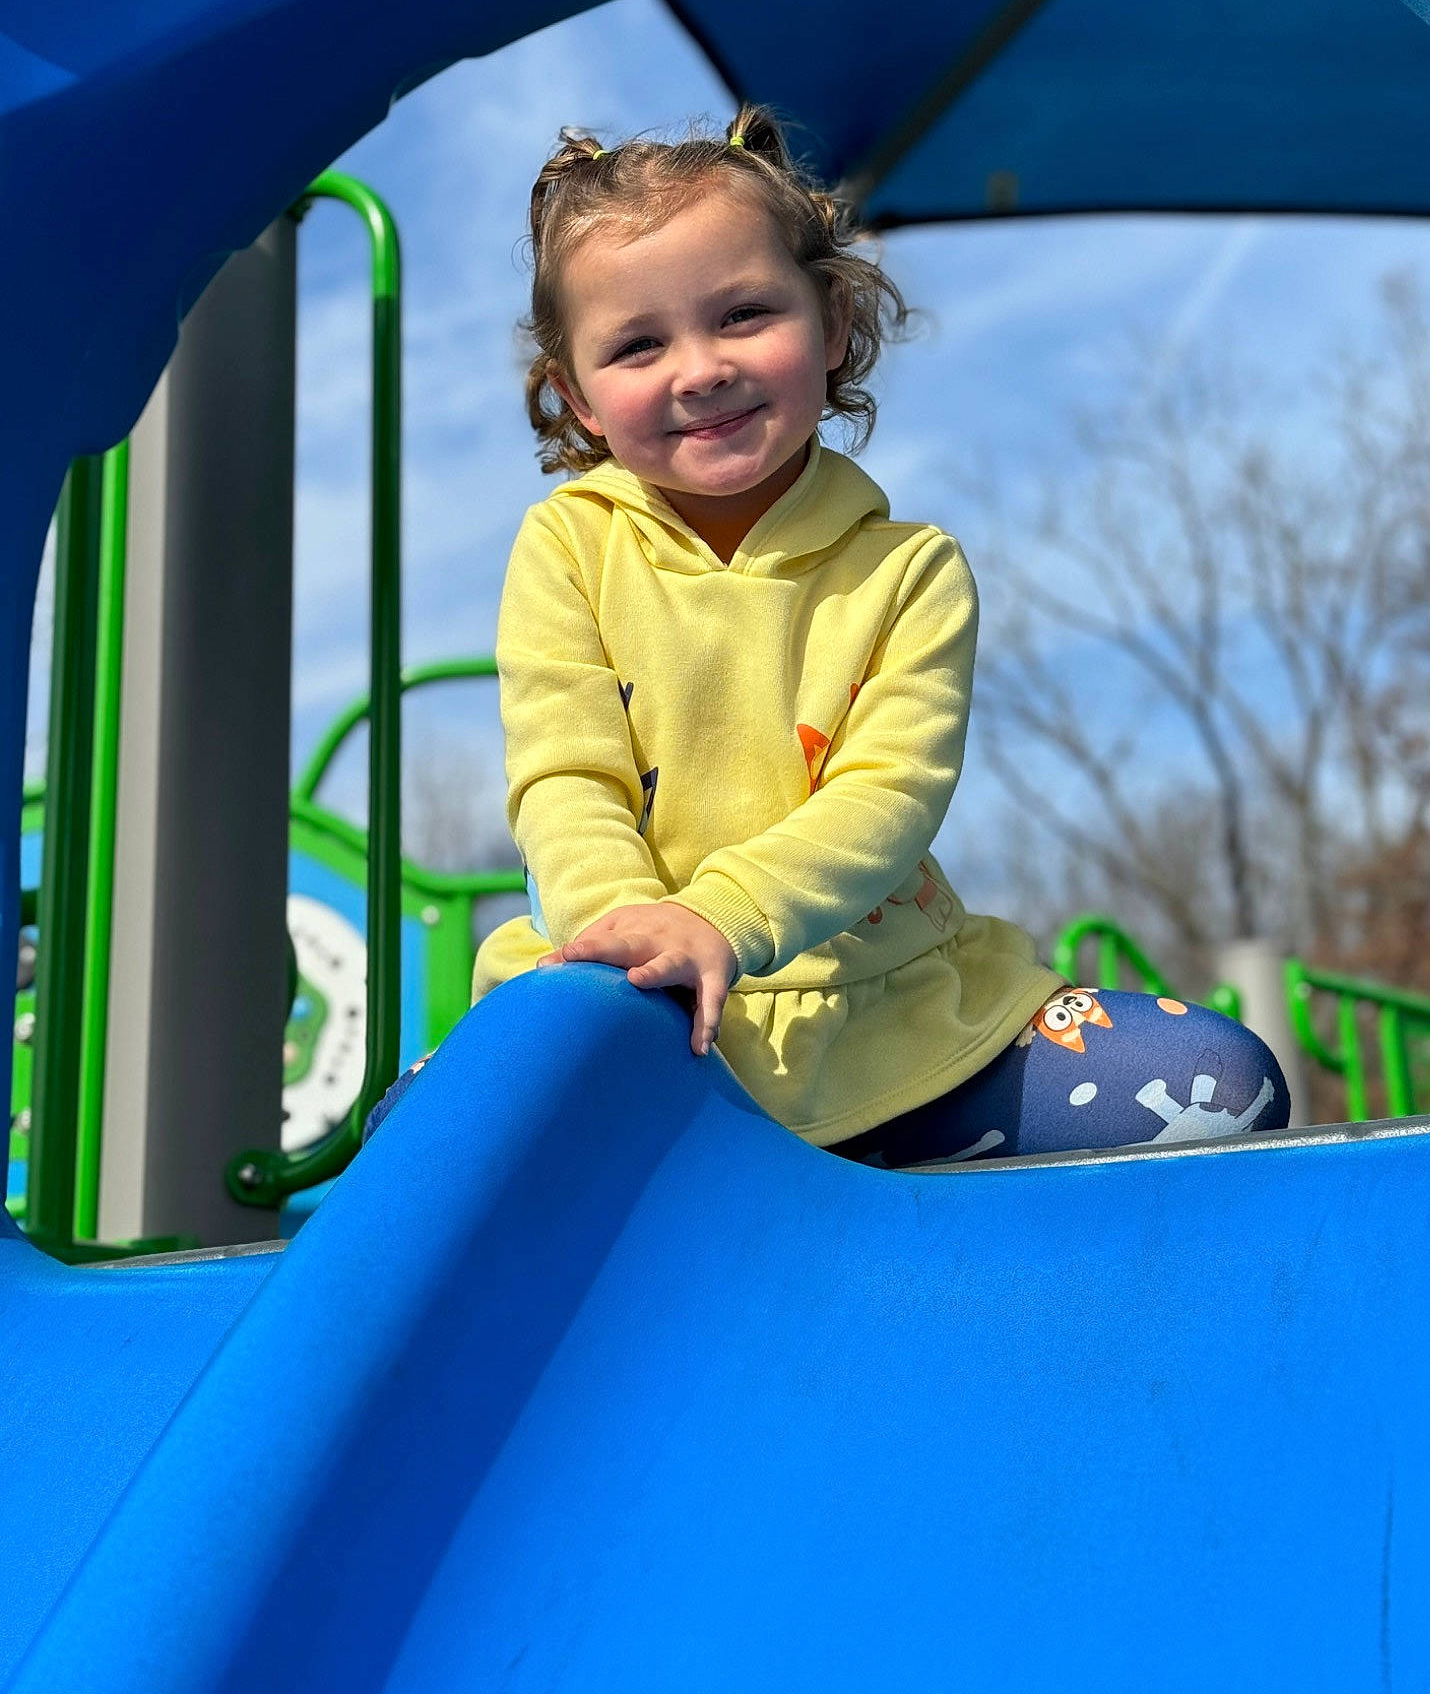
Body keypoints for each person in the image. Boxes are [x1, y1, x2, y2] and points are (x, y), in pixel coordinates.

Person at [367, 108, 1288, 1162]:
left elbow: (886, 795)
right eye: (638, 344)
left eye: (744, 313)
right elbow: (565, 776)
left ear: (834, 320)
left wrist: (720, 917)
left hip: (886, 1014)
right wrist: (631, 945)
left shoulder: (908, 570)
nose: (700, 368)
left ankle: (867, 1199)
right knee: (404, 1160)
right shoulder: (568, 546)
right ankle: (722, 1191)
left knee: (1218, 1083)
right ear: (578, 396)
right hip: (624, 1012)